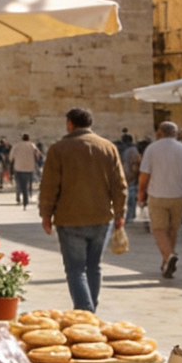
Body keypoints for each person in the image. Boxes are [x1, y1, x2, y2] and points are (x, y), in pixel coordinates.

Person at [38, 108, 126, 312]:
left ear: (70, 123)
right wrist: (120, 212)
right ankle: (90, 310)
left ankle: (85, 310)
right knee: (94, 267)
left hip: (69, 219)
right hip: (101, 217)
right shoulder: (108, 147)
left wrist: (46, 214)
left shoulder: (58, 149)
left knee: (76, 269)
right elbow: (119, 185)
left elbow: (50, 186)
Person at [138, 121, 182, 278]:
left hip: (157, 194)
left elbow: (144, 174)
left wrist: (141, 192)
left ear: (159, 133)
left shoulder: (152, 149)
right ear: (175, 133)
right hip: (178, 195)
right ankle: (166, 262)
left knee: (158, 229)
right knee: (172, 229)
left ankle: (169, 255)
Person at [10, 133, 42, 208]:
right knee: (29, 183)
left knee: (18, 183)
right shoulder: (32, 145)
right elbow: (38, 155)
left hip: (18, 167)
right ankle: (28, 196)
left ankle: (18, 197)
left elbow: (11, 157)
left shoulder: (16, 145)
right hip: (29, 168)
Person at [120, 136, 142, 225]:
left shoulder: (126, 151)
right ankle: (130, 215)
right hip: (130, 176)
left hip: (126, 174)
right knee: (131, 195)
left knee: (129, 195)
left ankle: (129, 215)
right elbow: (135, 165)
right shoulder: (133, 151)